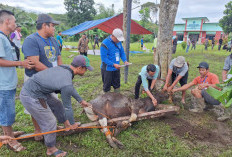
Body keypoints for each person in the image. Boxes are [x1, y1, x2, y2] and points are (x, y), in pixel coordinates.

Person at [20, 55, 93, 156]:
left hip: (39, 90)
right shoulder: (66, 80)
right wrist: (73, 123)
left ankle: (66, 125)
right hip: (30, 95)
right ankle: (51, 149)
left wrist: (81, 100)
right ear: (79, 68)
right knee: (50, 121)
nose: (86, 71)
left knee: (57, 104)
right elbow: (68, 106)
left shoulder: (65, 68)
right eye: (86, 69)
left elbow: (69, 88)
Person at [22, 13, 63, 141]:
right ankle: (38, 130)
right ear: (44, 25)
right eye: (52, 25)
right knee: (36, 107)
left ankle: (50, 127)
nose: (54, 28)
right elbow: (34, 63)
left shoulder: (54, 40)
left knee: (52, 103)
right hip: (36, 81)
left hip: (50, 80)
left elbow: (58, 57)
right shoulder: (31, 40)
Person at [0, 10, 34, 152]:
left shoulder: (5, 38)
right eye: (14, 21)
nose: (15, 24)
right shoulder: (0, 38)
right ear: (7, 21)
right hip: (3, 84)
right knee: (6, 112)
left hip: (8, 81)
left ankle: (9, 133)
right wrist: (21, 63)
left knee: (7, 110)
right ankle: (10, 139)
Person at [100, 28, 130, 93]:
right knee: (107, 87)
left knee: (117, 85)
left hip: (116, 69)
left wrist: (125, 61)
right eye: (117, 39)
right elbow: (104, 59)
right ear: (113, 36)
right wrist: (113, 64)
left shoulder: (119, 43)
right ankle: (107, 100)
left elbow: (122, 52)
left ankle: (117, 99)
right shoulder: (104, 44)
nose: (118, 41)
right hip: (107, 69)